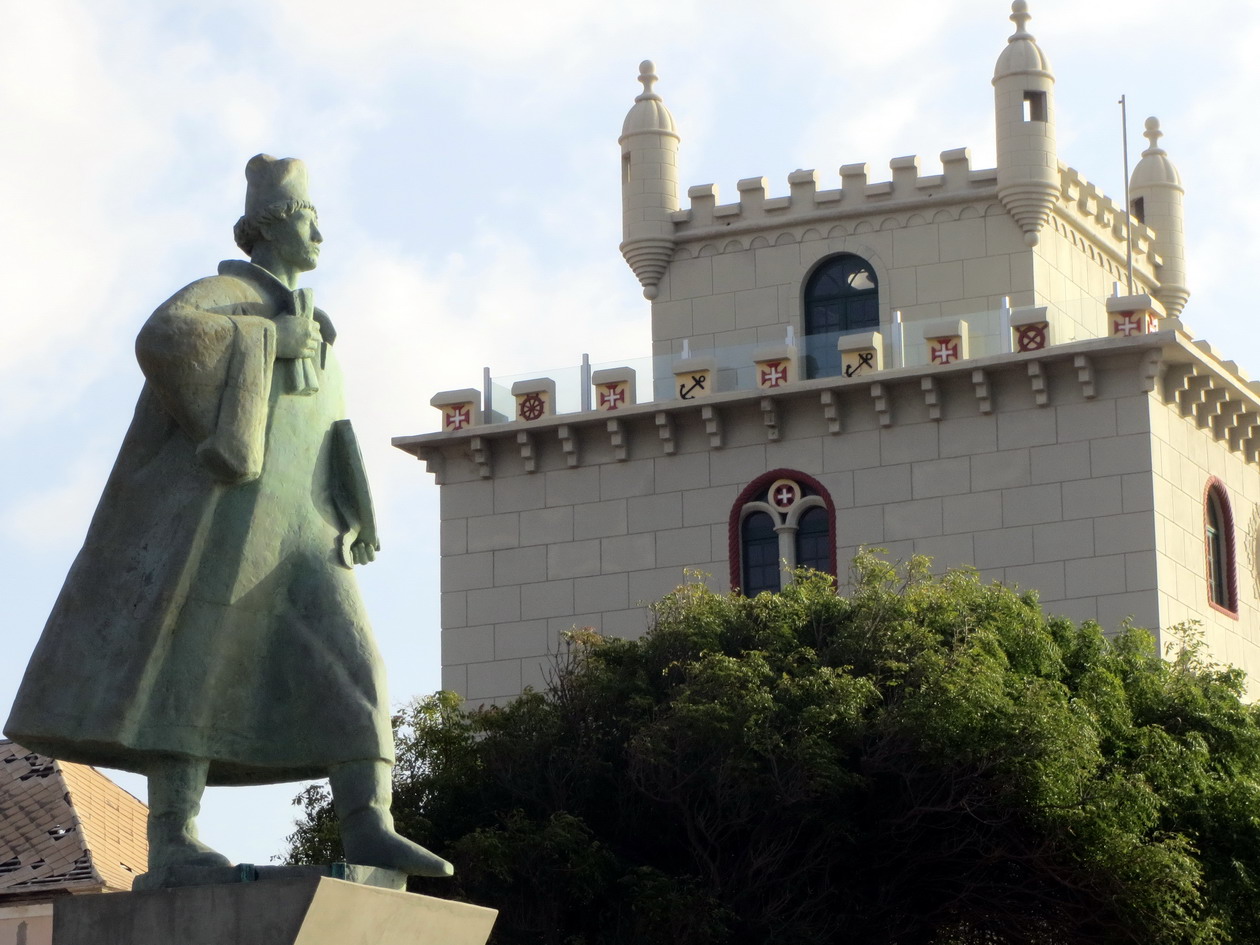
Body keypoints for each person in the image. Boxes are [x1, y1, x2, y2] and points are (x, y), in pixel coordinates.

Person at [5, 155, 452, 883]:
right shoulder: (230, 293)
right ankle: (174, 837)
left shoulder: (323, 325)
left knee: (357, 657)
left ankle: (369, 820)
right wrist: (269, 341)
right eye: (310, 218)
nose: (321, 232)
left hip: (306, 527)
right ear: (274, 224)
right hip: (224, 521)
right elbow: (164, 336)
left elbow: (332, 428)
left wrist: (358, 506)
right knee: (193, 669)